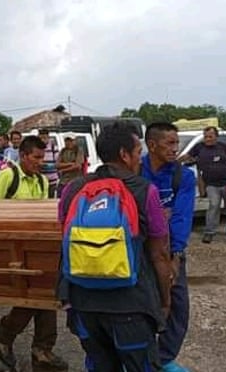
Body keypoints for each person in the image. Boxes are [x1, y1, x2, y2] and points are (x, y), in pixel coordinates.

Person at [59, 122, 173, 372]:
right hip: (131, 306)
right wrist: (165, 301)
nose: (140, 157)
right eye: (137, 150)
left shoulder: (72, 190)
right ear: (124, 154)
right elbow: (160, 254)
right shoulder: (145, 191)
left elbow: (65, 239)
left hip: (83, 306)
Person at [0, 136, 68, 371]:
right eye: (36, 157)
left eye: (42, 158)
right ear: (23, 156)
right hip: (11, 249)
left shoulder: (43, 182)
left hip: (34, 248)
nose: (40, 162)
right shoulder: (8, 176)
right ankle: (13, 338)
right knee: (39, 294)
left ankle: (37, 347)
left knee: (46, 293)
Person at [141, 122, 196, 372]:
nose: (176, 148)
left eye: (177, 143)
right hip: (139, 250)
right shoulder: (135, 169)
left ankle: (162, 358)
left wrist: (176, 253)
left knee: (178, 305)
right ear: (151, 145)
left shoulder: (183, 176)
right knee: (140, 305)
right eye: (170, 143)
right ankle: (138, 355)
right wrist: (159, 214)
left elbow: (181, 217)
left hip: (170, 251)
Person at [179, 126, 226, 244]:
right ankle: (209, 232)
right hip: (211, 183)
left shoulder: (224, 147)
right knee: (213, 206)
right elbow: (187, 157)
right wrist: (174, 162)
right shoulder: (199, 148)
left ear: (216, 136)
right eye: (205, 136)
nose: (207, 139)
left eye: (210, 136)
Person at [38, 128, 59, 198]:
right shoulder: (36, 148)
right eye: (41, 138)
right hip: (39, 180)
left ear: (48, 137)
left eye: (44, 137)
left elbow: (58, 163)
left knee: (50, 199)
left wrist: (46, 165)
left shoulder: (53, 147)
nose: (42, 140)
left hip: (52, 181)